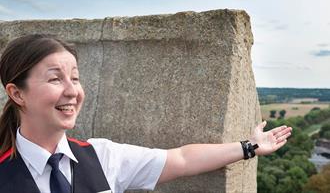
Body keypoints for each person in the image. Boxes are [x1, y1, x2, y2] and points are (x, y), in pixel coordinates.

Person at [0, 34, 292, 193]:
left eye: (75, 78)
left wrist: (250, 146)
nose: (72, 91)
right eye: (55, 79)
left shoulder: (101, 157)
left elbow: (181, 159)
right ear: (17, 93)